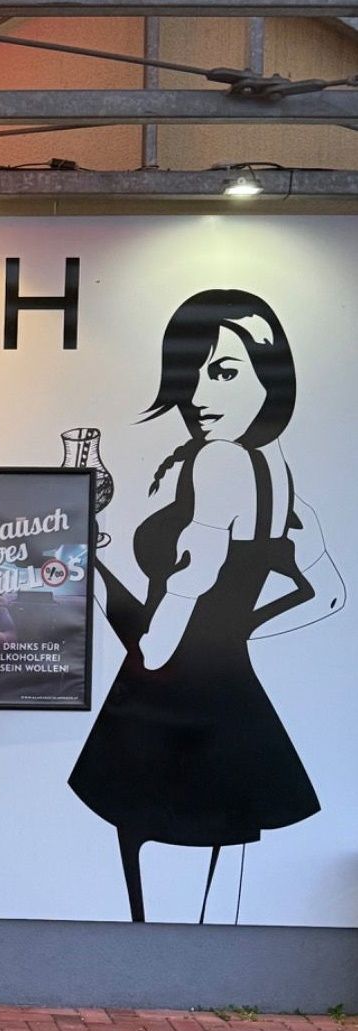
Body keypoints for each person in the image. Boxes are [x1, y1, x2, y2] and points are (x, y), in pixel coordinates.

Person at [69, 290, 344, 923]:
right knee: (209, 865)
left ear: (271, 376)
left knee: (145, 848)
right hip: (229, 693)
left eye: (223, 371)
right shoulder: (279, 475)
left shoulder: (219, 462)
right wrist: (240, 628)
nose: (198, 394)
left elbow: (175, 613)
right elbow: (326, 593)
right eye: (190, 373)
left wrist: (145, 623)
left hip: (168, 703)